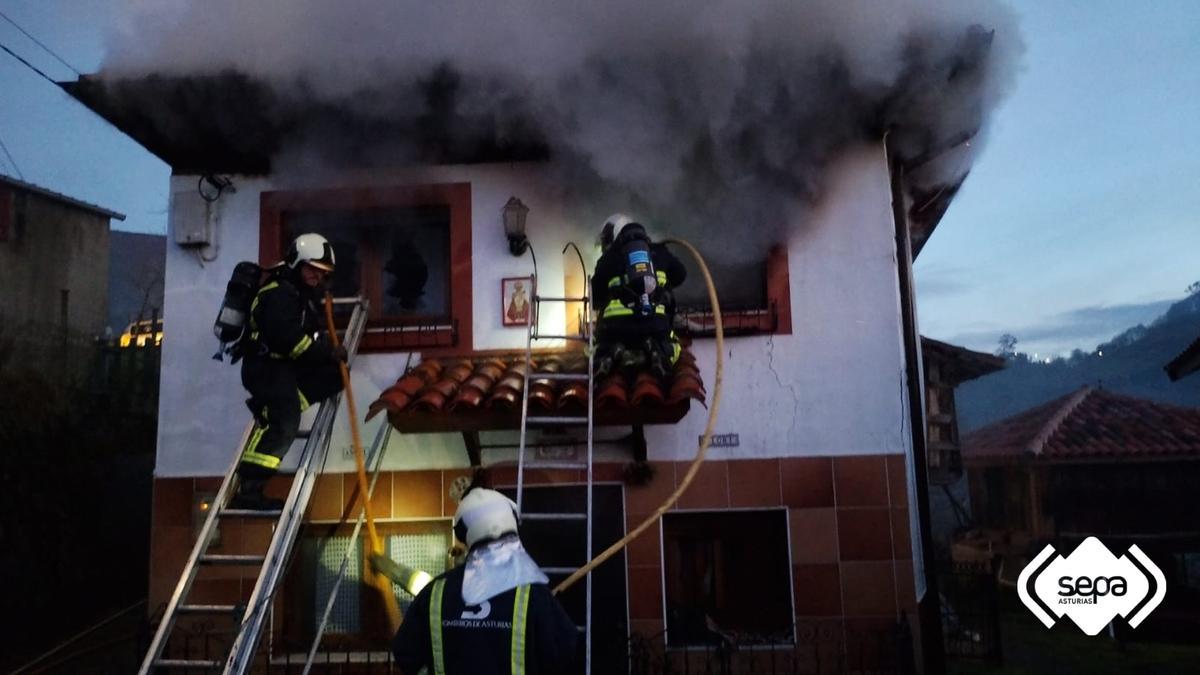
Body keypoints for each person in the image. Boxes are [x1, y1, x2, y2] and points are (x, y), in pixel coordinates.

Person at [392, 488, 578, 674]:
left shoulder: (435, 593)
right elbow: (565, 655)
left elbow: (405, 654)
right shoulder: (533, 594)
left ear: (464, 535)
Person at [231, 233, 346, 510]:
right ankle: (249, 490)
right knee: (284, 425)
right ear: (296, 262)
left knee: (334, 377)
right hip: (265, 367)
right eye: (312, 269)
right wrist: (327, 353)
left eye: (322, 273)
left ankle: (277, 405)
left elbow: (305, 339)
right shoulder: (278, 294)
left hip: (283, 368)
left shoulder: (299, 297)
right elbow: (290, 341)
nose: (317, 277)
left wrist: (327, 355)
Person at [591, 214, 687, 378]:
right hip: (654, 327)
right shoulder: (659, 251)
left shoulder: (607, 259)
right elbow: (680, 275)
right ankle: (658, 350)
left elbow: (594, 297)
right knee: (674, 345)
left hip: (615, 329)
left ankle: (609, 352)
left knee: (593, 348)